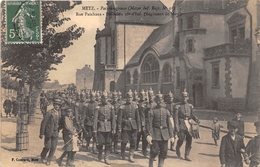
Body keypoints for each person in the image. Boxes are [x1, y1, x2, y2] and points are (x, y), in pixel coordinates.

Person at [146, 92, 175, 167]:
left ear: (163, 100)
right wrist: (149, 134)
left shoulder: (166, 111)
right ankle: (151, 163)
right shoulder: (152, 111)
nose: (160, 101)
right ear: (156, 100)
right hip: (155, 133)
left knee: (164, 151)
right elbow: (150, 124)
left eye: (161, 99)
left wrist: (171, 135)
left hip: (165, 134)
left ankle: (160, 165)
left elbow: (169, 124)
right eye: (158, 99)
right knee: (154, 151)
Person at [174, 90, 199, 161]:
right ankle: (177, 147)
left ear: (188, 98)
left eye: (186, 97)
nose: (184, 98)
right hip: (181, 124)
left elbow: (192, 115)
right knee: (181, 138)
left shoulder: (190, 106)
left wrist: (196, 118)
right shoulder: (177, 106)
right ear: (181, 97)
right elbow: (176, 118)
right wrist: (177, 127)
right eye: (183, 97)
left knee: (189, 140)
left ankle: (186, 155)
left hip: (189, 124)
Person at [117, 90, 141, 163]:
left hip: (134, 126)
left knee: (133, 141)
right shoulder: (123, 106)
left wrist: (139, 126)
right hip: (125, 126)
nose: (129, 99)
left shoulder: (135, 105)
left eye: (130, 97)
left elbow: (138, 117)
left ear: (132, 97)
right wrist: (119, 127)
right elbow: (119, 118)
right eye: (128, 97)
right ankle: (123, 152)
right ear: (126, 98)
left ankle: (131, 155)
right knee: (124, 141)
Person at [93, 91, 116, 165]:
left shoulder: (111, 107)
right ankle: (100, 153)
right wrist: (95, 128)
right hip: (101, 127)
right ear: (102, 98)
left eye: (106, 98)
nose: (105, 99)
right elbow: (95, 119)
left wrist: (113, 128)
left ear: (108, 98)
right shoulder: (98, 107)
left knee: (108, 143)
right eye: (104, 98)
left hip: (109, 127)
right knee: (100, 143)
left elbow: (113, 118)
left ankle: (106, 157)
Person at [39, 98, 63, 166]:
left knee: (53, 147)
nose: (57, 106)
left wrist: (60, 127)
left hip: (55, 133)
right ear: (53, 105)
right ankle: (43, 156)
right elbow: (44, 123)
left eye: (58, 105)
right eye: (56, 104)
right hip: (48, 132)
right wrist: (41, 133)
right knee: (48, 146)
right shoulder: (49, 112)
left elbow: (60, 122)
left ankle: (49, 160)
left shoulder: (60, 113)